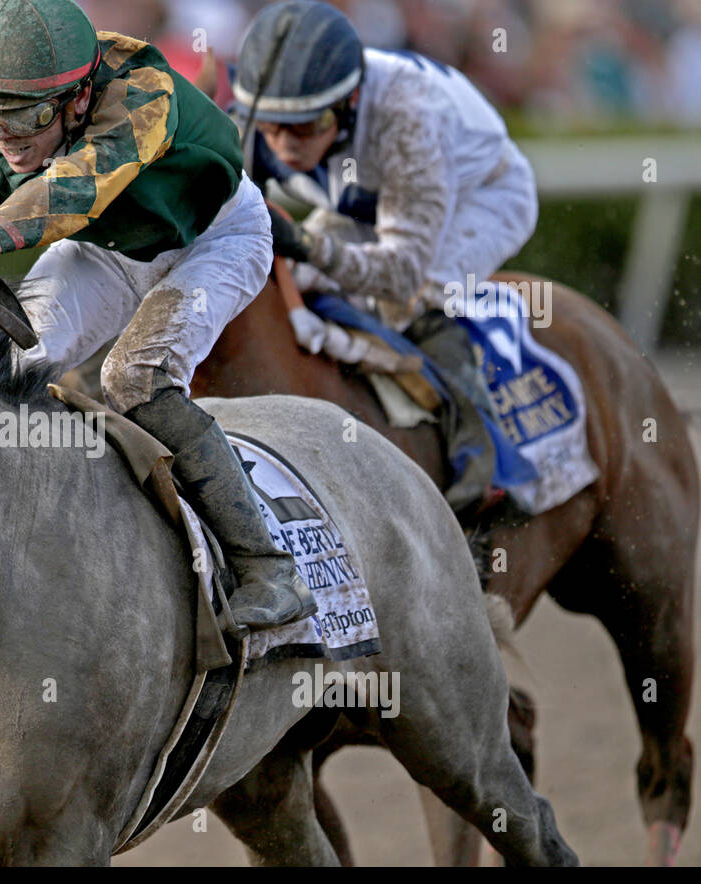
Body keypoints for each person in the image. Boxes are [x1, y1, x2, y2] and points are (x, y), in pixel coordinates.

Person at [0, 0, 315, 630]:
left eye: (26, 118)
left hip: (215, 238)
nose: (4, 138)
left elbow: (77, 186)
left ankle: (268, 567)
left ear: (77, 99)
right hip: (108, 249)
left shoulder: (141, 90)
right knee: (9, 365)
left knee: (134, 378)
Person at [230, 0, 539, 515]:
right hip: (367, 198)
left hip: (482, 194)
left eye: (307, 127)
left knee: (414, 301)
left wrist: (309, 246)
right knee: (306, 278)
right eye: (272, 128)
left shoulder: (408, 116)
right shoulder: (263, 108)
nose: (284, 146)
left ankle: (485, 469)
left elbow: (398, 273)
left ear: (348, 102)